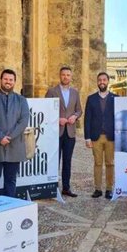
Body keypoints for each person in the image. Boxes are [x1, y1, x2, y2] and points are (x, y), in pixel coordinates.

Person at [0, 69, 30, 198]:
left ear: (14, 82)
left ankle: (9, 209)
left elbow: (23, 121)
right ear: (1, 80)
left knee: (10, 181)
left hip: (14, 146)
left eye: (11, 80)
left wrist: (9, 137)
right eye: (5, 79)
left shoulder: (21, 100)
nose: (8, 82)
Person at [46, 66, 82, 197]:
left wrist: (75, 116)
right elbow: (46, 110)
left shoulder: (75, 93)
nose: (65, 77)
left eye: (68, 75)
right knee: (55, 161)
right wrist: (57, 119)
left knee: (67, 161)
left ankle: (66, 188)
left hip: (70, 133)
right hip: (56, 132)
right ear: (60, 76)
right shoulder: (51, 91)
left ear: (71, 77)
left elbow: (79, 110)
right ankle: (53, 188)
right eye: (63, 75)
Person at [84, 71, 115, 199]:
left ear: (108, 82)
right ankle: (97, 189)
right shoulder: (91, 99)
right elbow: (87, 119)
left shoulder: (116, 98)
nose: (102, 82)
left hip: (111, 137)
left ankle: (109, 189)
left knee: (110, 163)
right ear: (97, 82)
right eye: (100, 80)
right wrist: (87, 137)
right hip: (96, 137)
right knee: (97, 163)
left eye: (104, 80)